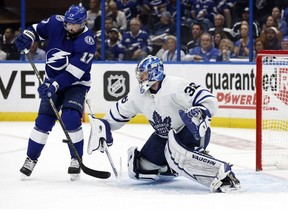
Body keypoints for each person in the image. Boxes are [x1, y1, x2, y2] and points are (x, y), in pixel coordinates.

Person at [88, 55, 241, 193]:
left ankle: (223, 174)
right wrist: (104, 127)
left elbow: (209, 100)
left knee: (176, 153)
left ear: (154, 73)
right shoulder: (137, 95)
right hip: (163, 136)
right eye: (139, 74)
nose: (140, 77)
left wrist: (200, 111)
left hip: (189, 132)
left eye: (144, 73)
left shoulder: (176, 86)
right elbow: (118, 112)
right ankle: (172, 166)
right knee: (140, 168)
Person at [15, 4, 96, 180]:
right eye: (68, 23)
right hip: (52, 81)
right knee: (43, 121)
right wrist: (27, 37)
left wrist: (54, 86)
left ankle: (76, 158)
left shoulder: (87, 41)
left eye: (76, 25)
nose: (71, 27)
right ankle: (31, 159)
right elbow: (35, 29)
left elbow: (73, 74)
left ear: (83, 23)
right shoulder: (55, 22)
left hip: (76, 84)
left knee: (71, 117)